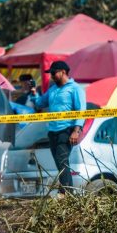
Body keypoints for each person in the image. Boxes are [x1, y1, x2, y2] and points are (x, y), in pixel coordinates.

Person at [33, 60, 86, 194]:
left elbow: (81, 110)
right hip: (52, 131)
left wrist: (76, 130)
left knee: (62, 162)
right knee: (60, 164)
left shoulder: (75, 88)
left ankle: (65, 193)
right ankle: (69, 192)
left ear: (63, 72)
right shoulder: (52, 89)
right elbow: (40, 103)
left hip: (66, 130)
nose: (51, 75)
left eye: (53, 73)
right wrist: (33, 93)